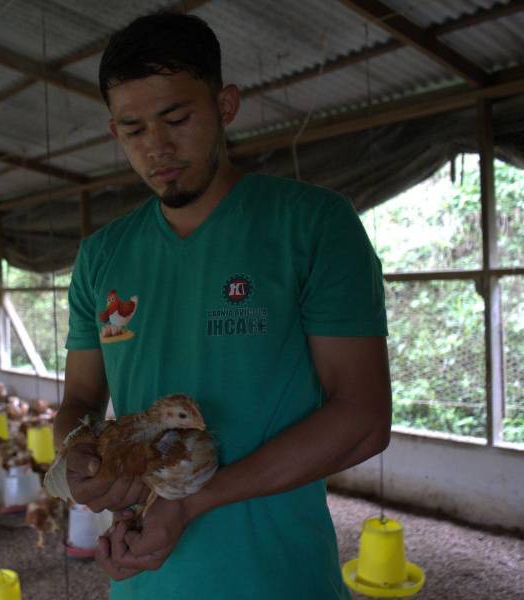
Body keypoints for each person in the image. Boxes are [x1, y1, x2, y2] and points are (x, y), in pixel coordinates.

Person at [53, 11, 391, 600]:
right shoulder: (101, 257)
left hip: (279, 579)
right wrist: (80, 458)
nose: (156, 147)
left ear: (225, 105)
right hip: (143, 582)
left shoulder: (312, 226)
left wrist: (195, 502)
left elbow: (363, 418)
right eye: (133, 129)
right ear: (114, 132)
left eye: (177, 118)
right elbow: (80, 400)